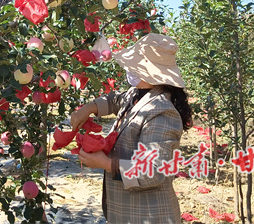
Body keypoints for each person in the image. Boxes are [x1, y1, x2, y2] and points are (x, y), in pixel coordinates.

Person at [70, 33, 193, 224]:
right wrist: (89, 108)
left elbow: (152, 171)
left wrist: (106, 163)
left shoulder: (161, 112)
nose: (130, 70)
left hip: (148, 216)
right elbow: (115, 100)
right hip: (127, 213)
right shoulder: (138, 94)